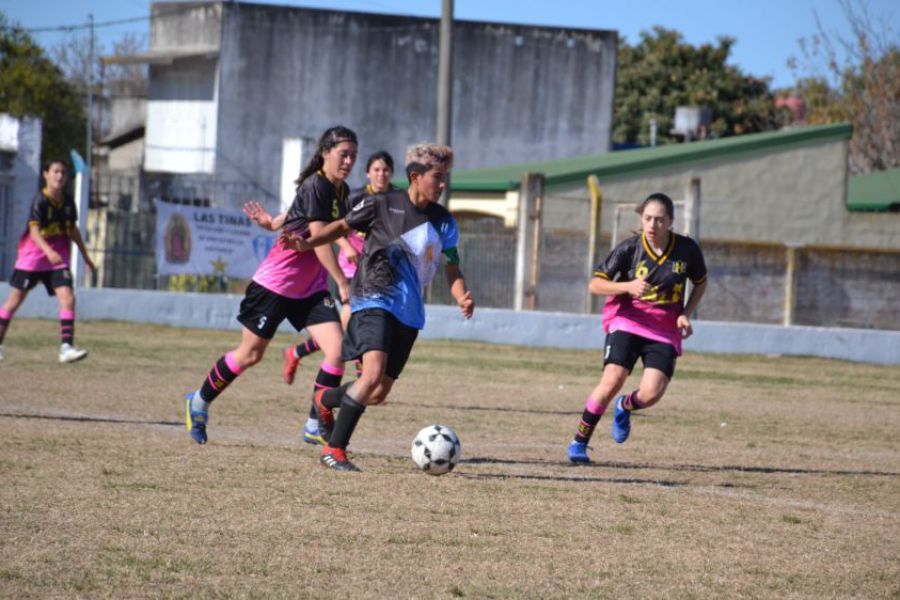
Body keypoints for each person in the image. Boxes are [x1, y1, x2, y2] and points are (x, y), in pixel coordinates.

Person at [281, 142, 474, 471]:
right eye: (437, 178)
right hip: (373, 296)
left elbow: (452, 266)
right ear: (415, 176)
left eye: (446, 178)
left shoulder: (444, 221)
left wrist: (462, 294)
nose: (443, 185)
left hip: (410, 311)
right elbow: (341, 226)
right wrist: (307, 243)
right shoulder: (383, 204)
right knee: (369, 375)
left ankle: (323, 399)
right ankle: (335, 451)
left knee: (379, 391)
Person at [183, 126, 358, 445]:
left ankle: (314, 422)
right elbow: (319, 240)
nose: (349, 161)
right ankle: (198, 401)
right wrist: (342, 281)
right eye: (344, 154)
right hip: (275, 285)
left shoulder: (338, 190)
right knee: (249, 355)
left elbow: (298, 212)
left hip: (310, 290)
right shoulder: (316, 185)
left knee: (336, 351)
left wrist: (274, 223)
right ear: (325, 153)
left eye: (353, 156)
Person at [566, 192, 708, 463]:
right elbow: (595, 284)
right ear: (641, 219)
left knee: (652, 393)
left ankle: (624, 406)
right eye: (648, 219)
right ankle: (579, 442)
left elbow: (701, 282)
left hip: (664, 329)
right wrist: (627, 286)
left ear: (671, 222)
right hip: (627, 321)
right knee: (612, 380)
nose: (652, 225)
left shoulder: (687, 250)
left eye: (659, 220)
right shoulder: (630, 248)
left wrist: (685, 314)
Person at [279, 150, 397, 382]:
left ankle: (297, 352)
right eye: (376, 170)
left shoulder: (397, 200)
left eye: (385, 170)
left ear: (391, 173)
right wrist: (345, 246)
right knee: (350, 317)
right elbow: (331, 227)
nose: (381, 174)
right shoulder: (355, 198)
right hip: (350, 269)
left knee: (354, 322)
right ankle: (363, 373)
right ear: (367, 173)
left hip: (379, 271)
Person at [0, 159, 95, 363]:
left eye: (63, 172)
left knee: (68, 298)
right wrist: (47, 251)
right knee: (14, 302)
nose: (60, 176)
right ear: (46, 174)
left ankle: (66, 348)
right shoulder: (40, 201)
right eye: (55, 172)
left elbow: (72, 230)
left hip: (57, 260)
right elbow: (34, 232)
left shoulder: (68, 202)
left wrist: (86, 257)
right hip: (33, 259)